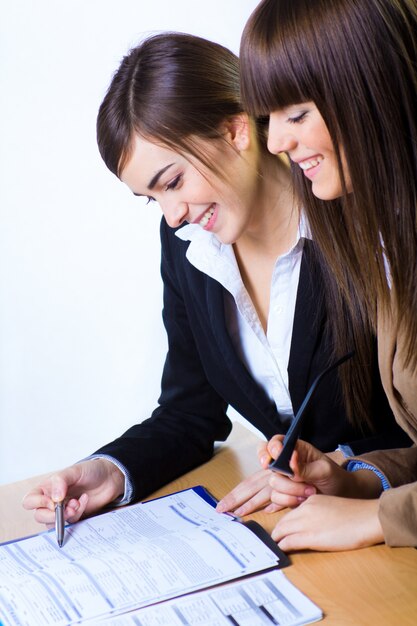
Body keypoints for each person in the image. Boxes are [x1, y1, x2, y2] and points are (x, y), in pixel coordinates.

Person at [23, 32, 409, 527]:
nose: (171, 216)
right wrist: (110, 472)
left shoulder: (361, 211)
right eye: (151, 198)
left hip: (384, 523)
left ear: (235, 131)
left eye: (173, 182)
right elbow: (189, 412)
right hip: (297, 526)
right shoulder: (190, 251)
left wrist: (356, 474)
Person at [239, 0, 417, 549]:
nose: (275, 144)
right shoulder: (390, 241)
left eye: (296, 115)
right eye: (269, 118)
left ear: (373, 91)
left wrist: (379, 520)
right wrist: (357, 479)